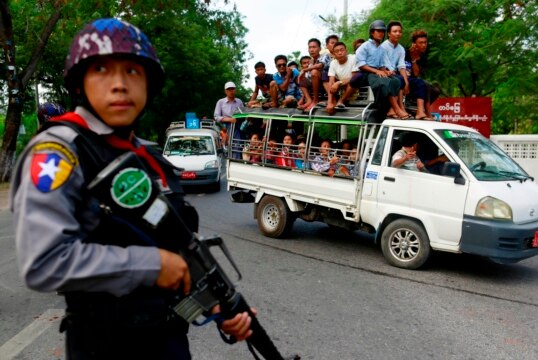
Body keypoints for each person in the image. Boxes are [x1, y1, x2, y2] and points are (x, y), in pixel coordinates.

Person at [10, 18, 253, 359]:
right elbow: (45, 262)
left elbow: (176, 247)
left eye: (133, 72)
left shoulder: (149, 154)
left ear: (149, 84)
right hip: (105, 345)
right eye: (101, 69)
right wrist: (152, 264)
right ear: (80, 83)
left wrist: (220, 309)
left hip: (168, 341)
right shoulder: (60, 151)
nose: (119, 85)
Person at [353, 20, 410, 122]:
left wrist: (386, 71)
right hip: (366, 73)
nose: (381, 33)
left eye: (382, 31)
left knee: (396, 81)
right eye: (378, 31)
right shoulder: (365, 45)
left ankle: (391, 109)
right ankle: (396, 109)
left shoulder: (381, 48)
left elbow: (382, 65)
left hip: (376, 72)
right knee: (385, 82)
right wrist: (377, 71)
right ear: (372, 32)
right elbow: (361, 64)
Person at [405, 30, 441, 120]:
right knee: (423, 83)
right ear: (414, 44)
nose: (424, 45)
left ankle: (422, 110)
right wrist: (412, 55)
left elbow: (416, 73)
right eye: (420, 43)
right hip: (403, 80)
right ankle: (426, 112)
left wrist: (414, 59)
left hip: (414, 82)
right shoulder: (405, 52)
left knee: (435, 90)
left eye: (425, 42)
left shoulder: (423, 56)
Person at [381, 21, 410, 119]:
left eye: (400, 31)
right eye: (395, 31)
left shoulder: (401, 49)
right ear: (389, 33)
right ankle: (398, 108)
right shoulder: (383, 46)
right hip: (383, 72)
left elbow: (402, 66)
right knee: (398, 79)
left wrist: (407, 83)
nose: (398, 33)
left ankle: (397, 109)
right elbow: (385, 64)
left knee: (402, 80)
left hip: (394, 73)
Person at [325, 41, 357, 115]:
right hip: (342, 87)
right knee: (325, 76)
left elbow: (354, 77)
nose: (340, 53)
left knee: (355, 79)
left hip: (354, 86)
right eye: (337, 51)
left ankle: (341, 101)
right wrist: (329, 102)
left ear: (346, 51)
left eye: (342, 50)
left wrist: (339, 83)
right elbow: (331, 82)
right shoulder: (333, 63)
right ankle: (333, 101)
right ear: (334, 54)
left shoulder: (353, 58)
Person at [214, 81, 245, 157]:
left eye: (232, 89)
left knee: (238, 145)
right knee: (231, 146)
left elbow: (243, 114)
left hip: (238, 125)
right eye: (229, 89)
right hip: (226, 126)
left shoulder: (239, 101)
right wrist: (229, 119)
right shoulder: (221, 102)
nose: (231, 91)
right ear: (225, 91)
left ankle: (237, 159)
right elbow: (216, 117)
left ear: (235, 90)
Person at [298, 38, 325, 112]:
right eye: (310, 47)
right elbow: (307, 80)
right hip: (315, 85)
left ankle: (315, 100)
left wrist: (304, 70)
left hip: (326, 84)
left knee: (314, 72)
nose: (311, 49)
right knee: (301, 78)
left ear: (319, 48)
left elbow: (319, 66)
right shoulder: (311, 62)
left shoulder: (325, 56)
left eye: (314, 47)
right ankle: (309, 100)